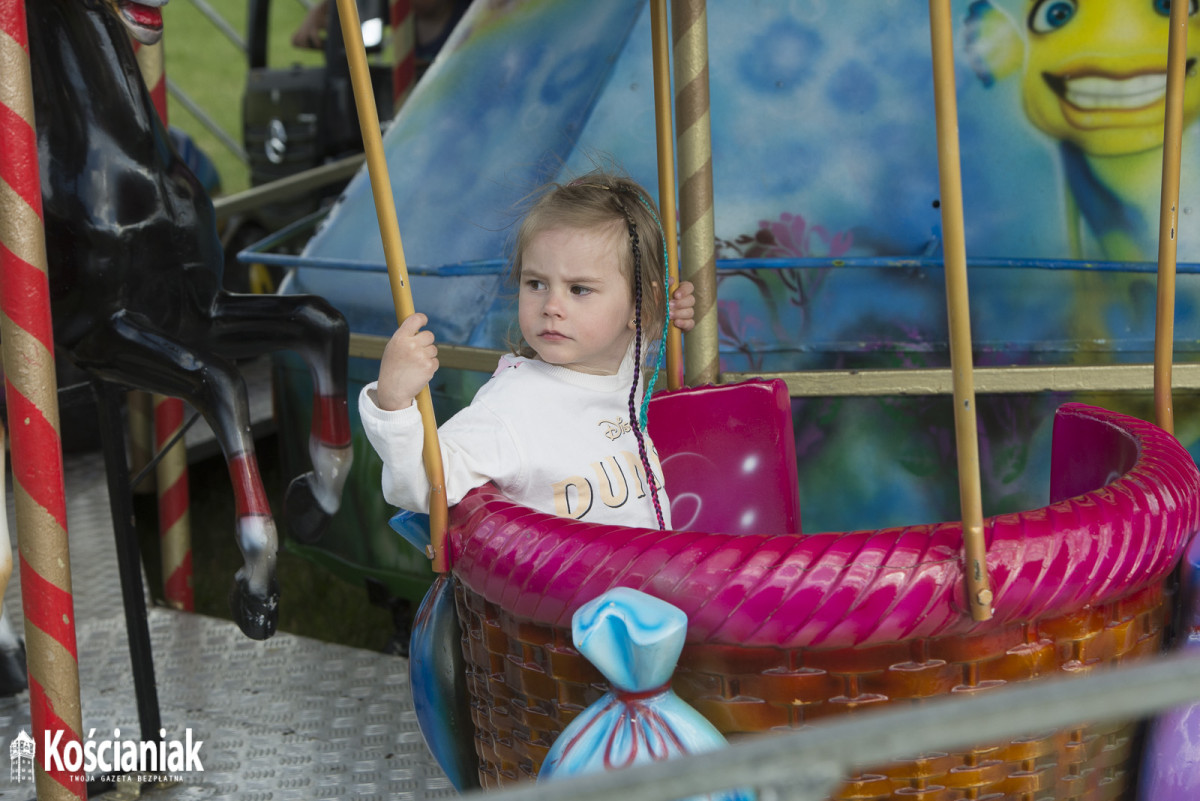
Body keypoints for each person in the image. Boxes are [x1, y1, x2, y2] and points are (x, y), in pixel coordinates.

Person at [359, 171, 696, 531]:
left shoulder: (617, 363)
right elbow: (425, 487)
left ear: (639, 307)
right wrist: (393, 404)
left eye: (579, 289)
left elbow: (635, 324)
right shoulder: (512, 406)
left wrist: (664, 310)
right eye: (536, 283)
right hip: (577, 585)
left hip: (648, 575)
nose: (551, 305)